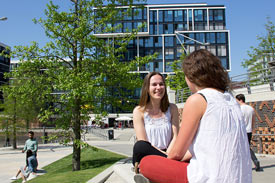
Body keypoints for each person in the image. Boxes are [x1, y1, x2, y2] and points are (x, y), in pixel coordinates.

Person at [136, 49, 252, 183]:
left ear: (191, 76)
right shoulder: (232, 100)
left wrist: (166, 160)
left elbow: (176, 154)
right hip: (240, 177)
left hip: (210, 177)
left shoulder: (197, 99)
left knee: (146, 163)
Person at [132, 71, 179, 174]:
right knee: (140, 146)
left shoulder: (172, 108)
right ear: (147, 89)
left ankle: (165, 164)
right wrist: (165, 157)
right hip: (148, 154)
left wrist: (168, 155)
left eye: (161, 84)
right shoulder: (139, 111)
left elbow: (175, 137)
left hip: (168, 153)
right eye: (154, 84)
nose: (158, 87)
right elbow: (144, 143)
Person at [236, 93, 261, 171]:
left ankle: (241, 166)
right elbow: (253, 120)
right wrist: (252, 129)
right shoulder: (251, 108)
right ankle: (255, 160)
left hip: (241, 131)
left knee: (239, 149)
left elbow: (238, 121)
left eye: (237, 100)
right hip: (249, 131)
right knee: (247, 148)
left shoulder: (239, 109)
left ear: (241, 100)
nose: (236, 102)